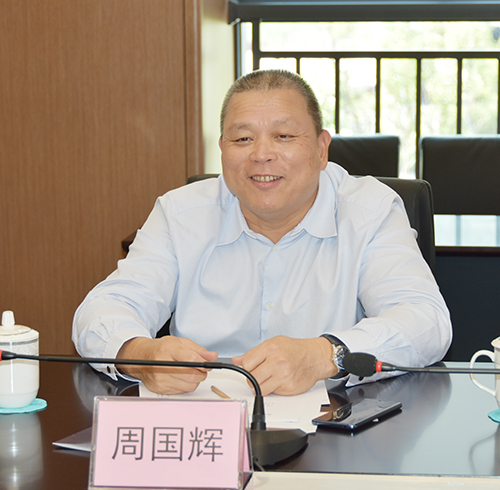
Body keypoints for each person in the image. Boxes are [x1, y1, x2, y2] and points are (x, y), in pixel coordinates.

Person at [72, 69, 452, 397]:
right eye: (242, 139)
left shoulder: (370, 211)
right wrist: (140, 355)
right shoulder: (179, 214)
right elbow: (102, 310)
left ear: (322, 149)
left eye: (284, 136)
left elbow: (425, 321)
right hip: (204, 422)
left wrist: (325, 354)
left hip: (335, 423)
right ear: (222, 149)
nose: (261, 154)